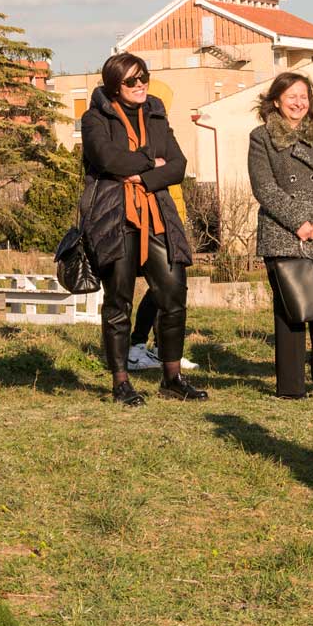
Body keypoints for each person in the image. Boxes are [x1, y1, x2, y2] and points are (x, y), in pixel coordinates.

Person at [79, 53, 204, 405]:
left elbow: (178, 165)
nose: (140, 85)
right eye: (131, 81)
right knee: (118, 301)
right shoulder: (93, 119)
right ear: (114, 86)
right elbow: (107, 159)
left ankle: (172, 377)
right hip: (114, 216)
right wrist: (152, 163)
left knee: (173, 294)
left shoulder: (156, 114)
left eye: (143, 78)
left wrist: (139, 174)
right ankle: (121, 382)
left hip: (157, 214)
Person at [247, 72, 313, 398]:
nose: (298, 103)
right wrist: (299, 223)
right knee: (291, 310)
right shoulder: (261, 137)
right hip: (284, 233)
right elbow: (264, 188)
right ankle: (291, 387)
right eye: (291, 96)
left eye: (304, 96)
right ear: (276, 100)